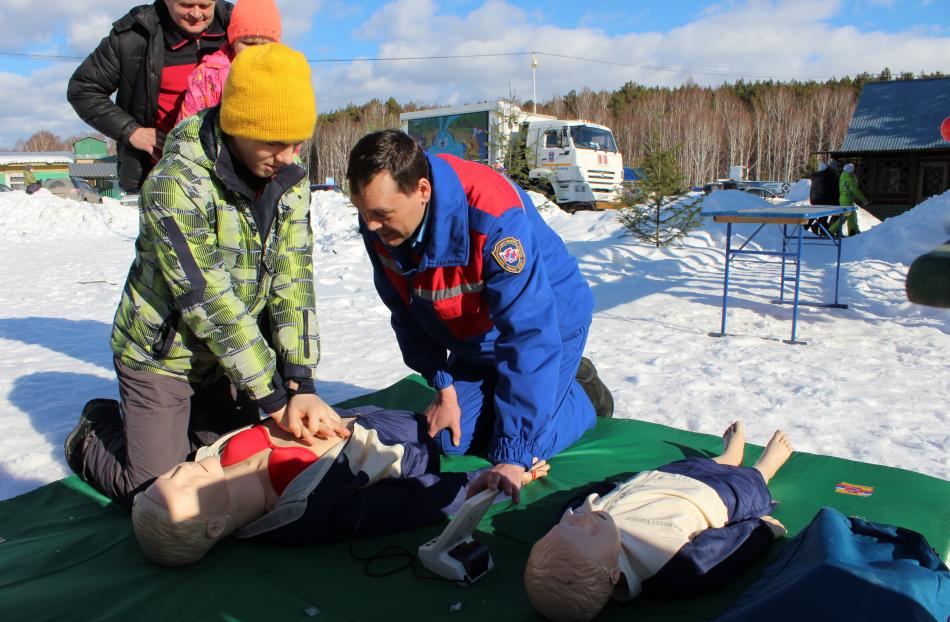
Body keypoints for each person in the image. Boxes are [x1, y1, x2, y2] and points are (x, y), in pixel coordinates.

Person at [64, 43, 342, 509]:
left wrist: (299, 382)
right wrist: (273, 400)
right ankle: (94, 434)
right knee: (162, 494)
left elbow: (293, 280)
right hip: (162, 356)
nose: (289, 157)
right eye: (274, 143)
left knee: (230, 464)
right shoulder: (177, 183)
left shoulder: (289, 179)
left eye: (297, 142)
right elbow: (209, 300)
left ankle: (190, 421)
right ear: (237, 126)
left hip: (227, 359)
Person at [346, 129, 612, 504]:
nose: (370, 226)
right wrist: (444, 386)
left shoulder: (494, 218)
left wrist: (513, 457)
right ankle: (535, 398)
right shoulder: (380, 224)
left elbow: (529, 334)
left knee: (518, 449)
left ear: (422, 190)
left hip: (551, 324)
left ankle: (583, 393)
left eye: (381, 215)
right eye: (363, 213)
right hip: (475, 336)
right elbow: (404, 308)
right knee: (448, 438)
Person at [131, 405, 550, 567]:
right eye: (177, 490)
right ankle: (584, 398)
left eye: (166, 477)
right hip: (408, 445)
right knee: (529, 425)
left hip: (368, 415)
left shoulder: (210, 461)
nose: (177, 473)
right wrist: (484, 482)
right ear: (215, 526)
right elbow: (405, 504)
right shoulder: (301, 517)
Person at [524, 422, 793, 622]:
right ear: (614, 574)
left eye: (566, 524)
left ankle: (727, 458)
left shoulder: (573, 522)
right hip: (714, 497)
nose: (583, 517)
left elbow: (580, 500)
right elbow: (722, 553)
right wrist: (762, 530)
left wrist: (613, 488)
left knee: (689, 466)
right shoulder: (668, 567)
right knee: (749, 485)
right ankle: (765, 467)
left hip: (660, 480)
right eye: (591, 531)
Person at [67, 1, 233, 193]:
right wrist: (132, 131)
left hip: (229, 178)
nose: (196, 14)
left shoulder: (239, 27)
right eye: (186, 5)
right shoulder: (135, 35)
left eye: (204, 6)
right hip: (161, 179)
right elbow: (83, 89)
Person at [176, 0, 281, 124]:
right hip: (211, 141)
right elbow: (184, 128)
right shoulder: (208, 76)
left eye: (264, 44)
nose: (255, 51)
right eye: (248, 43)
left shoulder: (284, 75)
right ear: (233, 41)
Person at [829, 163, 868, 236]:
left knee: (852, 216)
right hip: (847, 200)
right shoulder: (849, 179)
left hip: (844, 200)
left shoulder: (843, 177)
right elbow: (855, 190)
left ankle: (852, 231)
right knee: (845, 217)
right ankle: (831, 231)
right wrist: (863, 199)